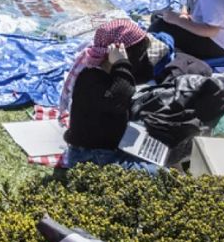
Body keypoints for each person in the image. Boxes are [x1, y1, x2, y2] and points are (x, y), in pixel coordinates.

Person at [60, 20, 160, 174]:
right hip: (91, 157)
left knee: (157, 152)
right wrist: (121, 63)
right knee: (159, 173)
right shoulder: (91, 78)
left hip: (107, 148)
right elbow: (119, 99)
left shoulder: (108, 72)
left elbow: (143, 75)